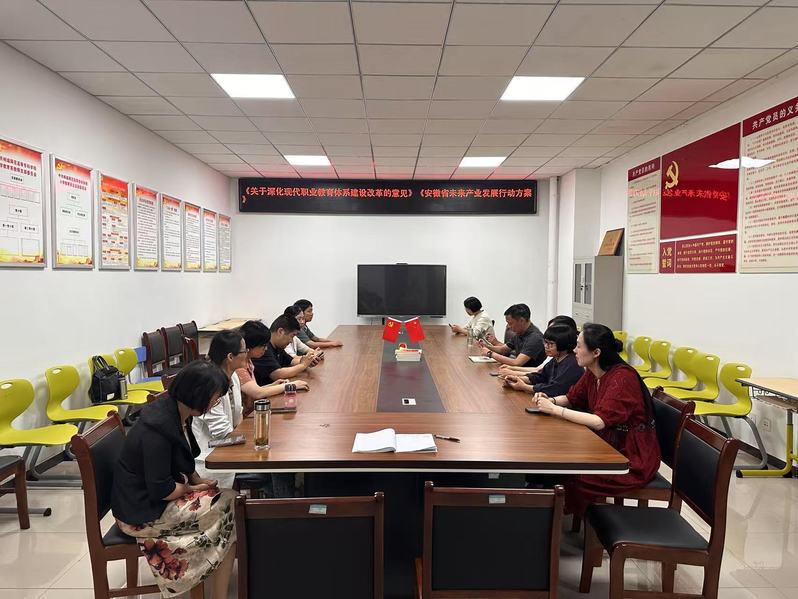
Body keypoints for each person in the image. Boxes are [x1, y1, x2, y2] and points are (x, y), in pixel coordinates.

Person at [112, 360, 237, 599]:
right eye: (215, 398)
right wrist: (191, 488)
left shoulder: (176, 411)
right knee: (231, 509)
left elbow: (182, 458)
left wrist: (197, 481)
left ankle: (216, 582)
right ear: (198, 394)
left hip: (148, 497)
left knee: (230, 504)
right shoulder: (157, 429)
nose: (215, 403)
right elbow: (163, 489)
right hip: (140, 512)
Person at [531, 323, 661, 516]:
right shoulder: (593, 372)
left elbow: (599, 421)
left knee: (574, 474)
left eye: (579, 346)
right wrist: (551, 400)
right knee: (557, 462)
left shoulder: (622, 378)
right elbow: (572, 398)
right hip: (607, 442)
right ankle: (547, 512)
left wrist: (555, 410)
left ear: (596, 352)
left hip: (630, 455)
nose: (574, 350)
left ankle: (554, 515)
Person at [191, 330, 247, 488]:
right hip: (211, 458)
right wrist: (245, 439)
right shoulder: (208, 384)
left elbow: (239, 413)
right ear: (230, 357)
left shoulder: (233, 376)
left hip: (230, 446)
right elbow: (222, 432)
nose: (247, 354)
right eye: (244, 351)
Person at [237, 319, 309, 414]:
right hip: (245, 416)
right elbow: (257, 393)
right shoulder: (239, 366)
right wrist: (291, 386)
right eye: (263, 345)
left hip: (253, 411)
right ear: (251, 345)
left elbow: (254, 389)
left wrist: (273, 385)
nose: (266, 348)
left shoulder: (248, 361)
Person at [501, 324, 583, 397]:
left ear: (563, 345)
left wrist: (524, 387)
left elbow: (554, 389)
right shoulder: (556, 359)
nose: (546, 346)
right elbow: (540, 376)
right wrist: (517, 379)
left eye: (550, 344)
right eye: (545, 342)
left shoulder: (572, 364)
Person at [498, 315, 578, 376]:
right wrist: (512, 369)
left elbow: (540, 374)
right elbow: (538, 370)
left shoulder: (571, 358)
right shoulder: (555, 354)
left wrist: (512, 372)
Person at [251, 314, 321, 383]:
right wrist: (303, 365)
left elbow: (291, 361)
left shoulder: (278, 346)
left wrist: (308, 360)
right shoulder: (263, 347)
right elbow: (277, 374)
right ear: (280, 332)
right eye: (292, 336)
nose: (291, 341)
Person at [479, 304, 545, 368]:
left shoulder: (535, 338)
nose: (508, 326)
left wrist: (490, 354)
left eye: (510, 323)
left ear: (521, 320)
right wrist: (486, 346)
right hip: (517, 370)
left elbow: (517, 363)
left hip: (528, 373)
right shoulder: (520, 333)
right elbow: (502, 349)